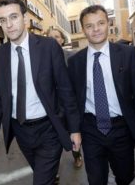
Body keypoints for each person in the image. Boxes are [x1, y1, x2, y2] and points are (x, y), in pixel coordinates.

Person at [0, 0, 81, 185]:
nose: (9, 24)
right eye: (3, 20)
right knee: (44, 175)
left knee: (41, 181)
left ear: (25, 18)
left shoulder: (49, 47)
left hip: (49, 129)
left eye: (14, 17)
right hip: (21, 132)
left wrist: (75, 128)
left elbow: (65, 90)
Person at [67, 4, 135, 185]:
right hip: (91, 129)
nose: (96, 29)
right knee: (96, 180)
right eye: (89, 26)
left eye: (100, 23)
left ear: (108, 24)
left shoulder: (127, 54)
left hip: (121, 128)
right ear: (83, 30)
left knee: (125, 176)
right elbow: (72, 100)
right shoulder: (75, 61)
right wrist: (74, 130)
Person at [47, 27, 83, 169]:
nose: (53, 40)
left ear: (62, 40)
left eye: (56, 36)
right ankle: (53, 169)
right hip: (50, 107)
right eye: (50, 37)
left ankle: (77, 155)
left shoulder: (72, 56)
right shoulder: (40, 58)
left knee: (73, 133)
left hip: (68, 105)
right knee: (51, 139)